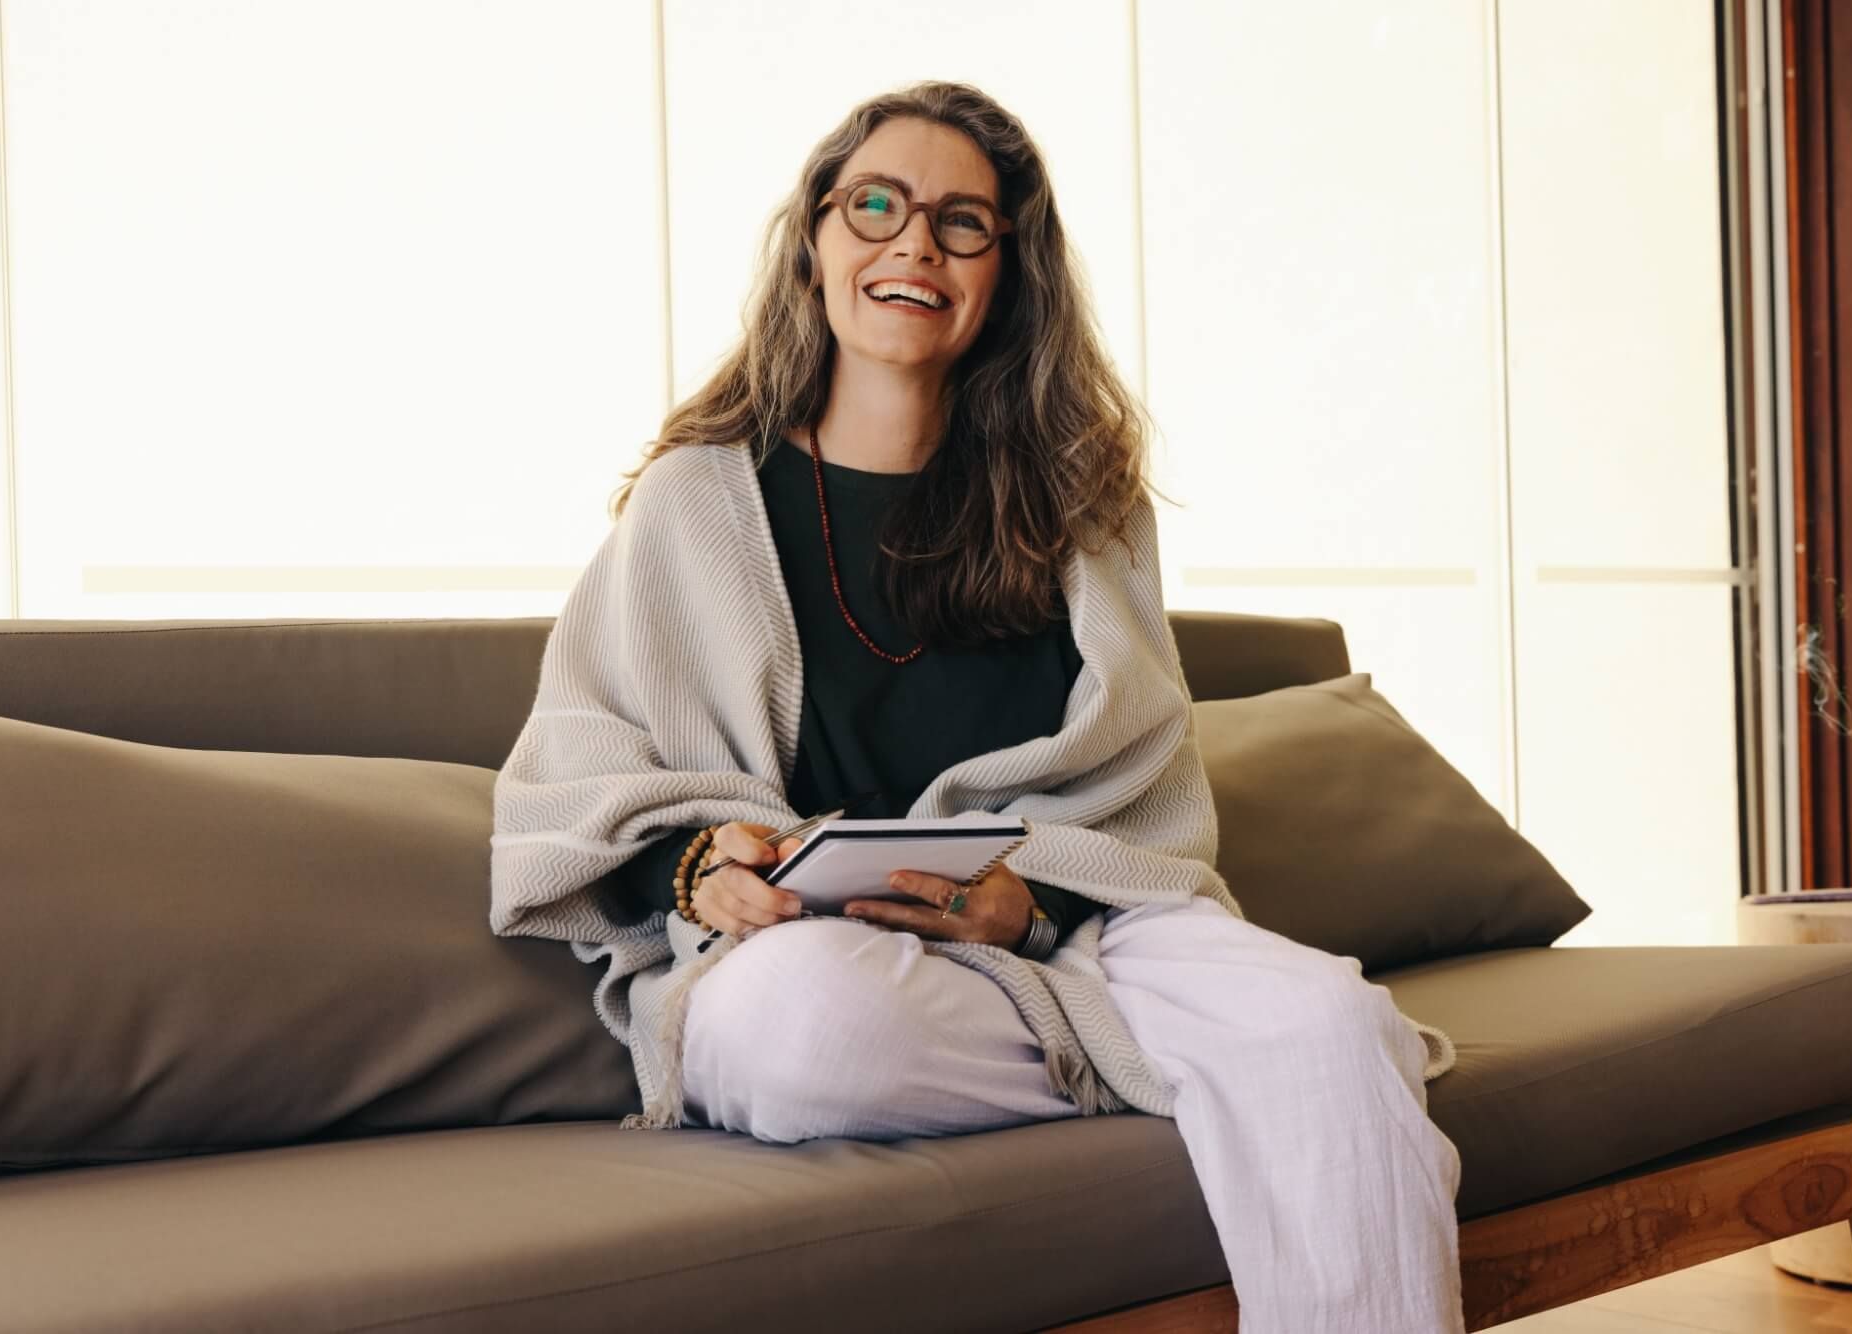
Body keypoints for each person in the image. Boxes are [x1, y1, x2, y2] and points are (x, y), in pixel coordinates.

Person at [491, 79, 1464, 1333]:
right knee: (806, 1033)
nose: (912, 244)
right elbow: (576, 768)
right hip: (805, 955)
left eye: (960, 223)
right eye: (876, 206)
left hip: (1068, 932)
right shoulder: (693, 500)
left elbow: (1143, 789)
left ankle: (1209, 1061)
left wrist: (1030, 899)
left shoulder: (1082, 506)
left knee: (1328, 1017)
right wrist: (698, 867)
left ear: (1008, 272)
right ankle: (1187, 1069)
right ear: (815, 241)